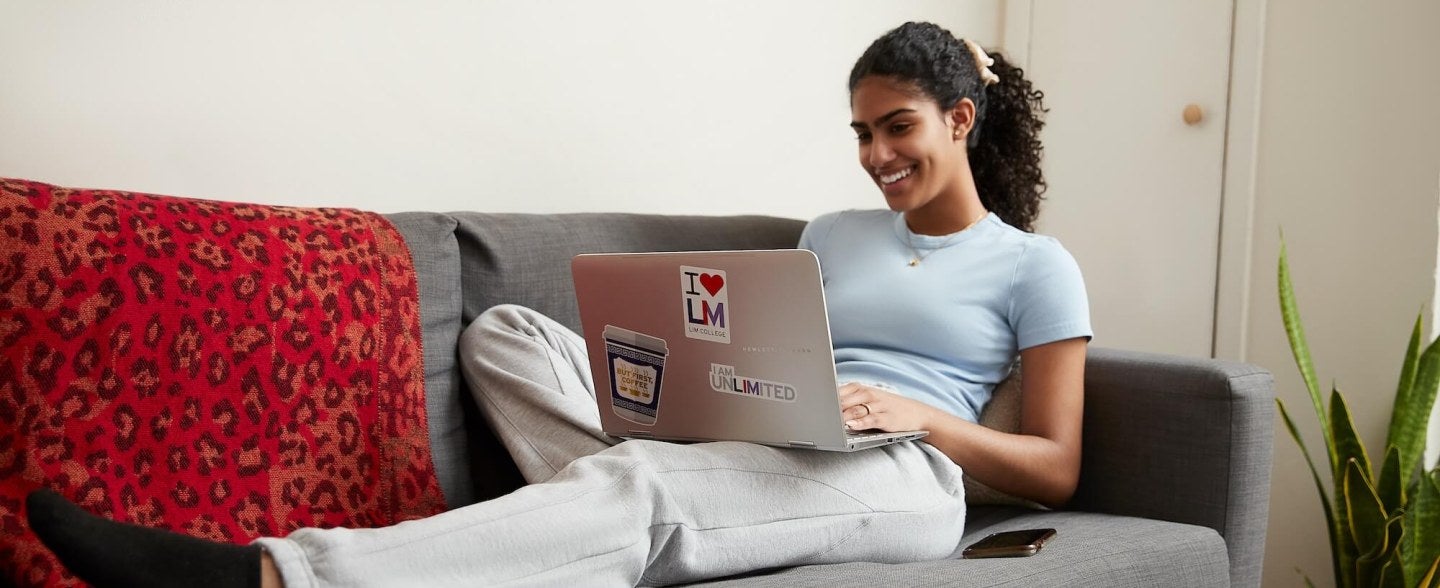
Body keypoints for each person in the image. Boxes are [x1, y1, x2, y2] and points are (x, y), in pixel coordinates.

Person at [22, 21, 1090, 588]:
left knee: (647, 489)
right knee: (505, 334)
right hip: (781, 444)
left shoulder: (1035, 266)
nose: (875, 156)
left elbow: (1056, 460)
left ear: (958, 120)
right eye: (859, 134)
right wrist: (718, 384)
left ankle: (275, 576)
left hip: (906, 480)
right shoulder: (830, 233)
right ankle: (644, 509)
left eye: (896, 127)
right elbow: (778, 358)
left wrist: (922, 417)